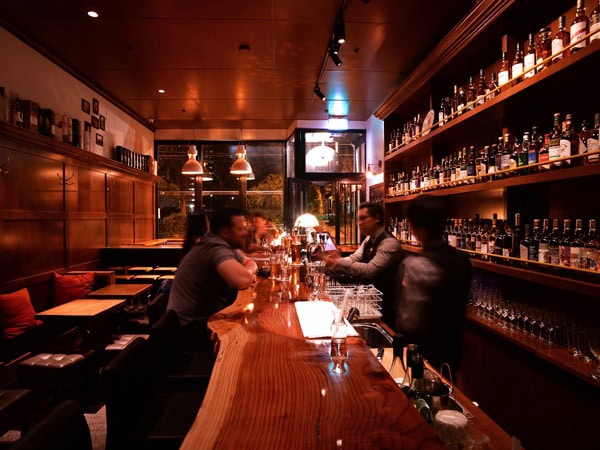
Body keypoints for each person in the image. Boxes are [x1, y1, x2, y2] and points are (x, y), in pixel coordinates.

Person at [395, 194, 472, 374]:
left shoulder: (414, 265)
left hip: (422, 354)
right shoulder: (463, 259)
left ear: (415, 226)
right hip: (452, 348)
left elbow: (408, 321)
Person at [167, 207, 258, 349]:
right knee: (252, 337)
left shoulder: (222, 245)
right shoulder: (214, 248)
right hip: (190, 330)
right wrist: (247, 275)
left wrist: (248, 272)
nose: (245, 233)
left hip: (196, 322)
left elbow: (250, 263)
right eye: (240, 229)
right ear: (225, 232)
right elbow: (242, 281)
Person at [324, 202, 402, 327]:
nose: (359, 223)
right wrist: (334, 262)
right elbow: (355, 258)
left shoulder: (389, 243)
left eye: (363, 218)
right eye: (358, 219)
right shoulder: (369, 240)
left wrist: (338, 262)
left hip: (384, 308)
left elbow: (371, 270)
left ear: (377, 218)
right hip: (369, 303)